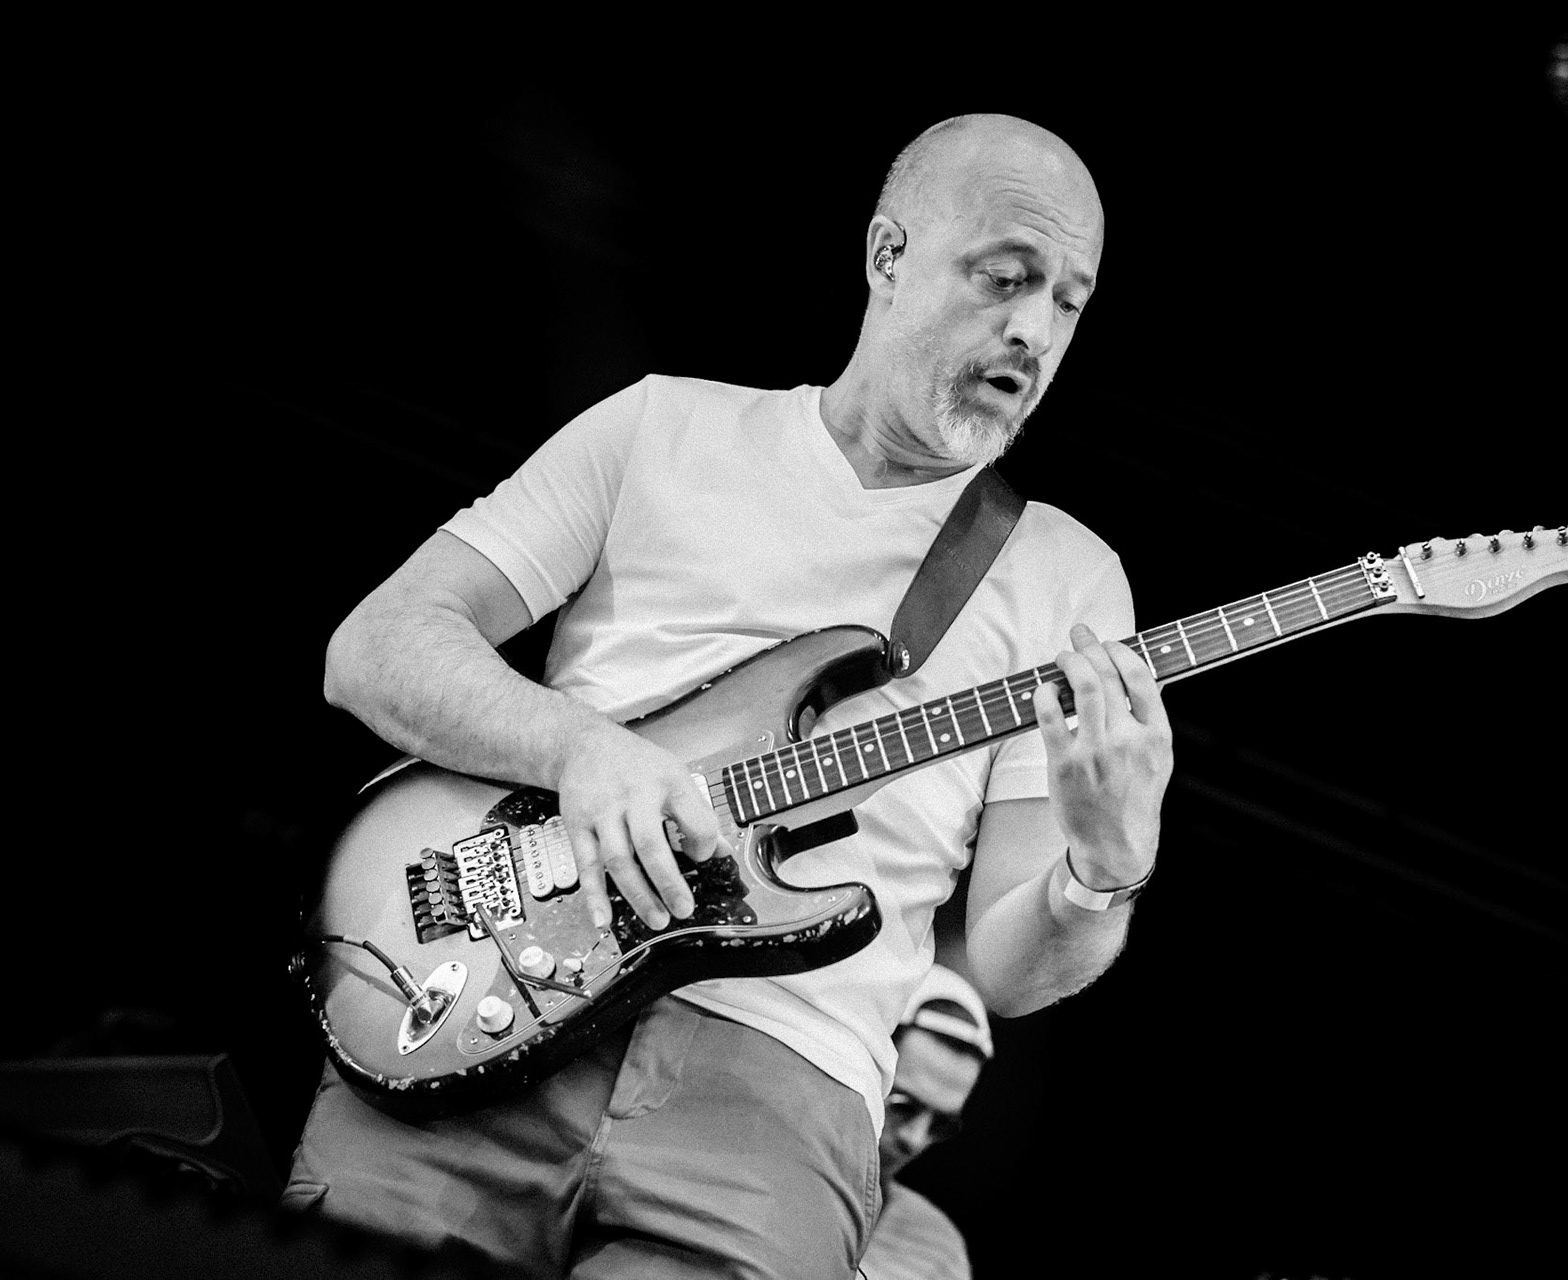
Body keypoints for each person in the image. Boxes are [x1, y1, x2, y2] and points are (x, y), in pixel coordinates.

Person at [286, 112, 1173, 1279]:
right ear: (888, 254)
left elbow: (1012, 965)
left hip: (779, 1095)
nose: (1032, 328)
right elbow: (379, 646)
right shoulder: (663, 424)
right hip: (486, 991)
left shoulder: (1069, 576)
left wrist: (1103, 870)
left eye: (1068, 299)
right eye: (1006, 276)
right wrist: (584, 751)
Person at [860, 964, 995, 1280]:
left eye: (941, 1125)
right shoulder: (758, 1183)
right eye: (904, 1106)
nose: (915, 1139)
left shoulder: (939, 1252)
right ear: (861, 1070)